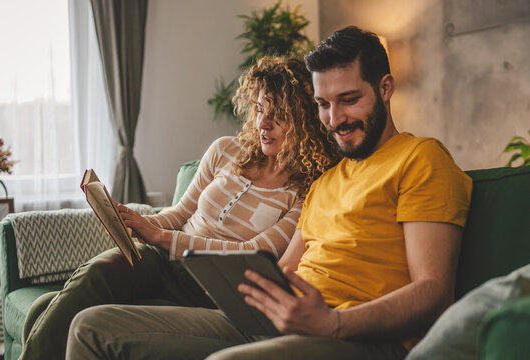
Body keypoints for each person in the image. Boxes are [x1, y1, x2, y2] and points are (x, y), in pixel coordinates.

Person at [65, 26, 473, 360]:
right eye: (323, 105)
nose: (335, 120)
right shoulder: (327, 181)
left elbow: (434, 290)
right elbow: (284, 271)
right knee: (91, 326)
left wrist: (334, 323)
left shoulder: (420, 159)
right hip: (277, 321)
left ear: (385, 88)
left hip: (355, 336)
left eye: (349, 101)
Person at [19, 56, 338, 360]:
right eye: (259, 110)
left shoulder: (306, 191)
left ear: (304, 121)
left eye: (278, 115)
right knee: (100, 272)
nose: (263, 124)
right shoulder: (226, 150)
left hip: (210, 287)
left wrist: (161, 238)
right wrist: (136, 220)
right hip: (163, 261)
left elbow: (251, 252)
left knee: (46, 307)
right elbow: (180, 213)